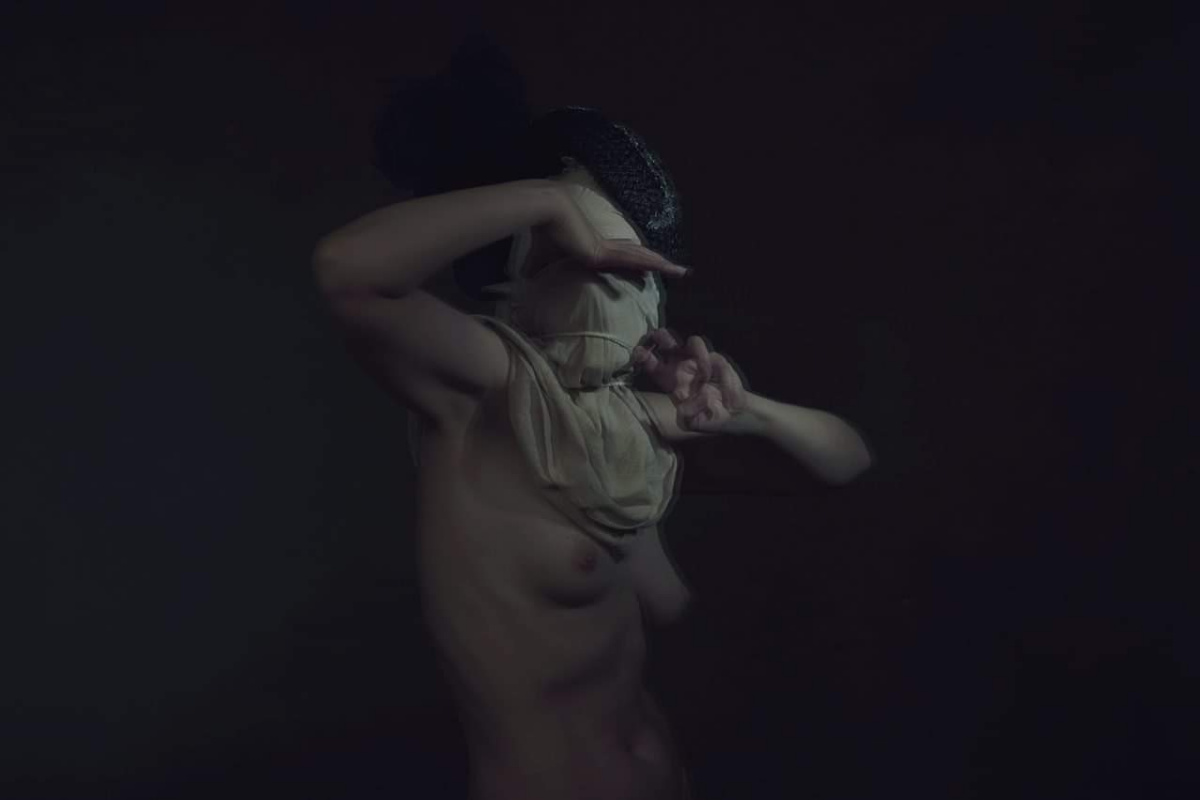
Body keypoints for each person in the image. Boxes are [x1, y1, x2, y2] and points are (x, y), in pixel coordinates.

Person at [312, 35, 872, 800]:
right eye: (584, 262)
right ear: (526, 274)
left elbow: (846, 462)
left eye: (631, 270)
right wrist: (550, 200)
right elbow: (348, 272)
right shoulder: (483, 391)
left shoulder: (634, 423)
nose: (612, 290)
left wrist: (749, 413)